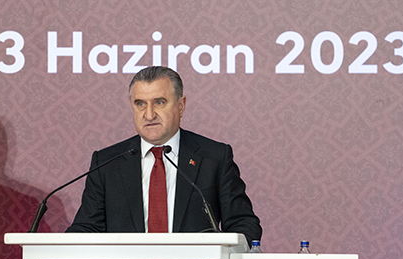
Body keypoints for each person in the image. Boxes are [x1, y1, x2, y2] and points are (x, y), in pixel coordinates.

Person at [66, 66, 262, 246]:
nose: (149, 114)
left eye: (159, 102)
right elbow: (86, 229)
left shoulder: (213, 158)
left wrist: (223, 255)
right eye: (140, 104)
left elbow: (243, 224)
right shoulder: (107, 163)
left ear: (181, 106)